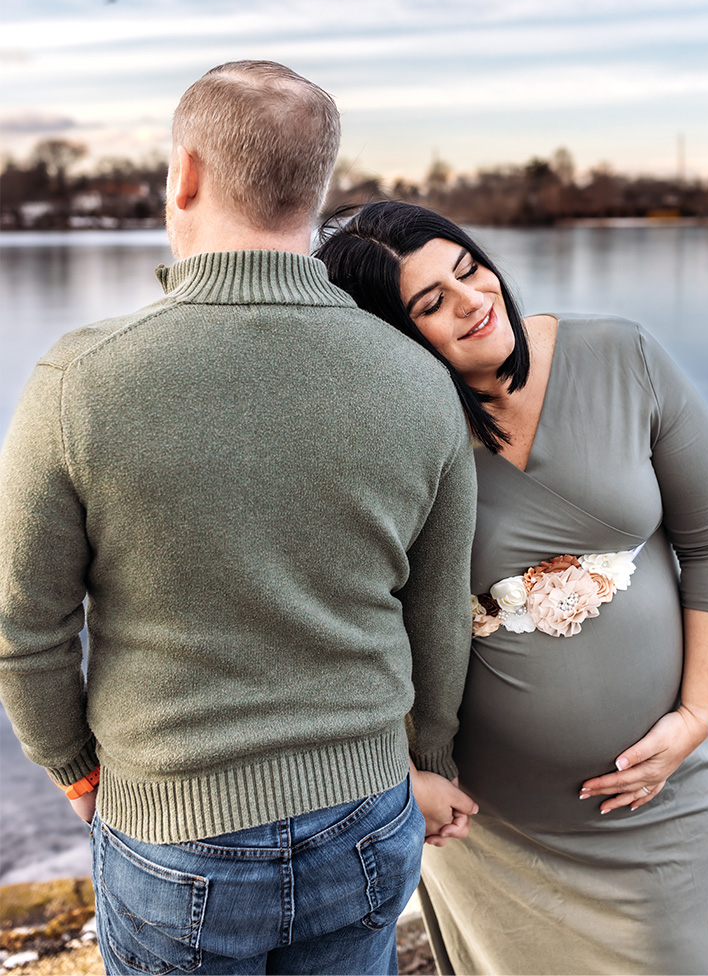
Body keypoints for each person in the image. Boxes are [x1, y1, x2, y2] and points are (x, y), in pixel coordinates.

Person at [0, 64, 479, 976]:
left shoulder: (81, 381)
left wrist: (71, 767)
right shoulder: (419, 380)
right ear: (319, 188)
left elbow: (24, 630)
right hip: (367, 814)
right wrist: (430, 757)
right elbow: (438, 612)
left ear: (184, 174)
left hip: (175, 825)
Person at [316, 200, 708, 976]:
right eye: (430, 303)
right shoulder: (390, 435)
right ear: (390, 332)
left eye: (468, 268)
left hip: (662, 804)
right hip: (491, 835)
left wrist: (694, 715)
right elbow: (348, 621)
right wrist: (403, 773)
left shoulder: (625, 355)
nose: (474, 301)